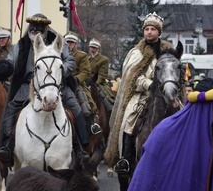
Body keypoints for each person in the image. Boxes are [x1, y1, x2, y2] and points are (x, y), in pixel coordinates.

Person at [123, 78, 213, 191]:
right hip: (146, 90)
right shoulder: (166, 132)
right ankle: (124, 157)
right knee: (129, 119)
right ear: (203, 106)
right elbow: (146, 182)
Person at [0, 13, 91, 166]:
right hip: (28, 86)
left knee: (77, 109)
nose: (36, 30)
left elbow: (70, 61)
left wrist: (59, 72)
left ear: (45, 28)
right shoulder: (22, 44)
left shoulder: (58, 42)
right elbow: (11, 60)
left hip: (56, 85)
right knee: (11, 108)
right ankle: (7, 147)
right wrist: (6, 67)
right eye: (33, 27)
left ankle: (80, 148)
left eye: (40, 27)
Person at [106, 12, 174, 175]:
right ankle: (126, 159)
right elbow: (132, 77)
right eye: (147, 29)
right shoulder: (136, 53)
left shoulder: (168, 52)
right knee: (129, 119)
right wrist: (149, 84)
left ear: (159, 32)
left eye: (153, 29)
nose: (149, 32)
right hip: (142, 95)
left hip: (165, 95)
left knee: (181, 115)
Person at [64, 31, 101, 136]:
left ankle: (91, 125)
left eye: (71, 42)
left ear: (75, 44)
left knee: (86, 102)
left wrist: (76, 79)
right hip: (61, 83)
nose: (69, 44)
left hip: (77, 83)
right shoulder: (59, 54)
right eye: (67, 42)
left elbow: (86, 72)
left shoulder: (82, 56)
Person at [88, 38, 115, 113]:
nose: (92, 49)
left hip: (99, 82)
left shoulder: (103, 60)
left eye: (94, 47)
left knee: (106, 98)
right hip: (87, 81)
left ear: (98, 48)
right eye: (91, 47)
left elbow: (102, 74)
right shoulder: (87, 59)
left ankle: (110, 112)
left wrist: (96, 83)